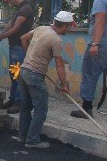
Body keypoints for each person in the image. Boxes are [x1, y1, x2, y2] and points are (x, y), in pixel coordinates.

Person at [16, 11, 74, 148]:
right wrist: (64, 85)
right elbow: (59, 65)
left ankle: (23, 137)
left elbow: (23, 38)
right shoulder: (56, 40)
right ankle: (32, 140)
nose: (70, 29)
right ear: (65, 26)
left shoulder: (41, 28)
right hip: (35, 75)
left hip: (24, 71)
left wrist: (28, 55)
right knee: (41, 109)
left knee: (25, 107)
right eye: (69, 26)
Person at [0, 0, 34, 114]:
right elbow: (10, 25)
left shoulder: (25, 9)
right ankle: (13, 99)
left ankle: (19, 102)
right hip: (14, 46)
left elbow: (16, 28)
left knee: (18, 75)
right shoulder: (19, 10)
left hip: (20, 47)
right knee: (14, 75)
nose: (10, 2)